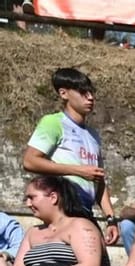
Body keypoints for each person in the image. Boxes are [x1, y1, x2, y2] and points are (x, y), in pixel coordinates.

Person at [23, 68, 117, 245]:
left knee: (99, 258)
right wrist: (78, 171)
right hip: (65, 208)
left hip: (85, 209)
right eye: (83, 92)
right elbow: (30, 161)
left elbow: (99, 179)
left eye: (91, 92)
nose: (90, 98)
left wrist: (111, 218)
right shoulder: (53, 122)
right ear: (63, 93)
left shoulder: (93, 135)